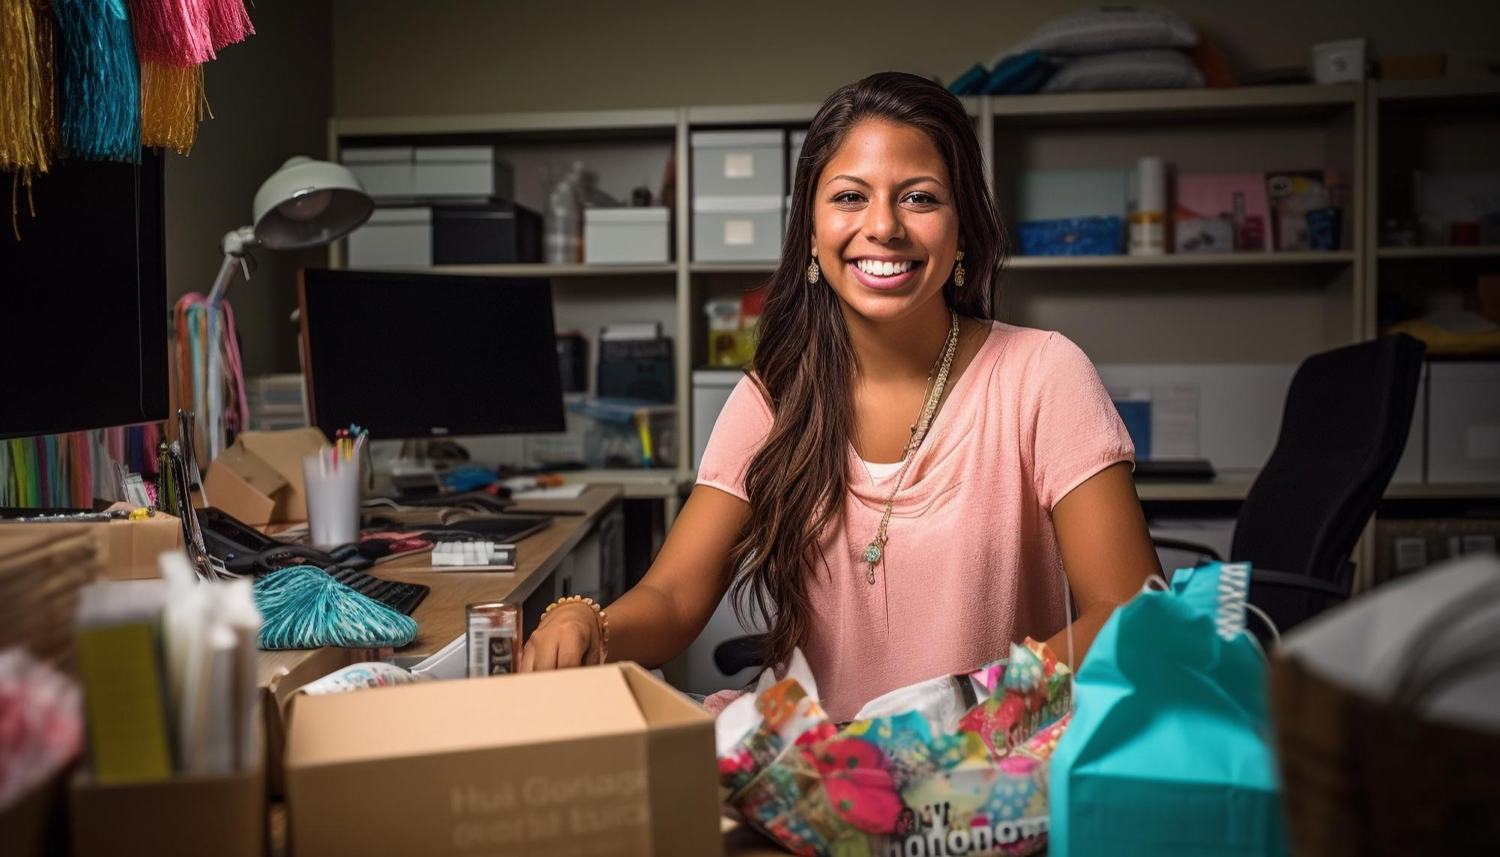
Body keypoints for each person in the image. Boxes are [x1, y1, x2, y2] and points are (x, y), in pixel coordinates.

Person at [521, 71, 1162, 722]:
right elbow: (674, 596)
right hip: (814, 780)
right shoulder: (772, 395)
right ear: (810, 230)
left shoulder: (1043, 374)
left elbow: (1132, 613)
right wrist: (588, 620)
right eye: (850, 196)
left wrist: (966, 715)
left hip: (983, 781)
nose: (882, 226)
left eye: (919, 198)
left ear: (963, 230)